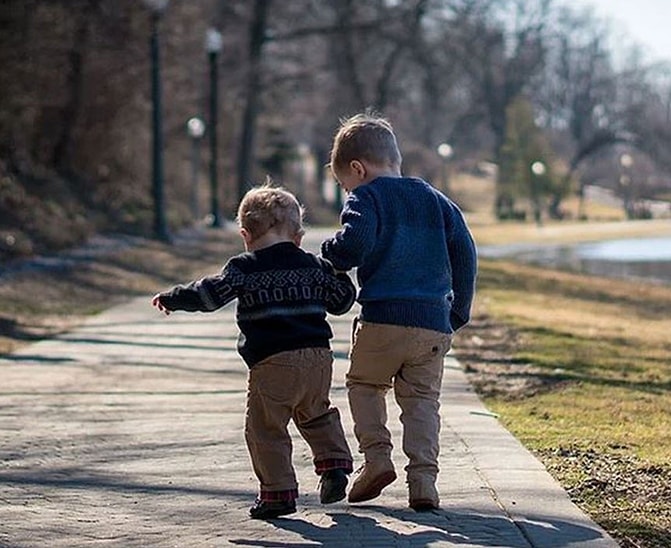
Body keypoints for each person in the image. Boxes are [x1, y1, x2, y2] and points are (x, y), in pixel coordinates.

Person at [151, 184, 357, 520]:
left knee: (265, 428)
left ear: (245, 235)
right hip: (318, 359)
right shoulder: (313, 265)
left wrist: (174, 298)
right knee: (317, 413)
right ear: (298, 236)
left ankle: (278, 493)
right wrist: (340, 273)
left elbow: (209, 295)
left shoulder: (244, 268)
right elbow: (341, 302)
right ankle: (334, 467)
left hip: (273, 362)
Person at [321, 112, 476, 511]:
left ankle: (376, 460)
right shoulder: (437, 201)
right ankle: (423, 482)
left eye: (344, 184)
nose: (347, 190)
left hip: (382, 318)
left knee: (365, 385)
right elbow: (465, 254)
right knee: (423, 401)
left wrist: (330, 253)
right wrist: (458, 310)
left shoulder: (366, 197)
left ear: (358, 169)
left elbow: (353, 246)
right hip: (432, 324)